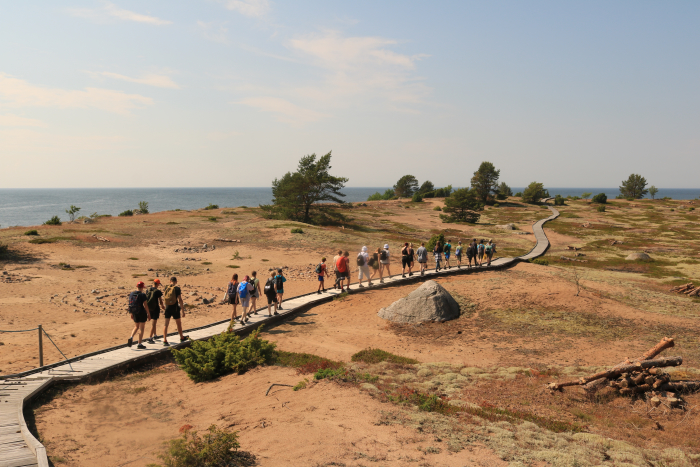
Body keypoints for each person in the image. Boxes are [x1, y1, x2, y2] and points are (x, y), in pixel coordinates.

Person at [162, 276, 189, 346]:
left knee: (166, 324)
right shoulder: (177, 289)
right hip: (175, 308)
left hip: (167, 307)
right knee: (178, 323)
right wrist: (183, 310)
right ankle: (181, 337)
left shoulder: (166, 288)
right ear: (176, 281)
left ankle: (165, 340)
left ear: (170, 281)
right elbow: (180, 300)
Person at [127, 281, 151, 349]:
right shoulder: (142, 295)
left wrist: (131, 313)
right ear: (142, 288)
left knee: (136, 326)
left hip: (134, 312)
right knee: (141, 328)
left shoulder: (132, 294)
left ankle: (131, 337)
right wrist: (148, 314)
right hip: (142, 312)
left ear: (137, 286)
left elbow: (130, 304)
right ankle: (139, 344)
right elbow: (145, 305)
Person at [145, 279, 164, 344]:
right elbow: (160, 301)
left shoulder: (148, 290)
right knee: (154, 323)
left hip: (149, 308)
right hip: (155, 308)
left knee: (154, 322)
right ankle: (150, 338)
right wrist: (163, 306)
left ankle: (155, 335)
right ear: (157, 284)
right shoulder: (157, 291)